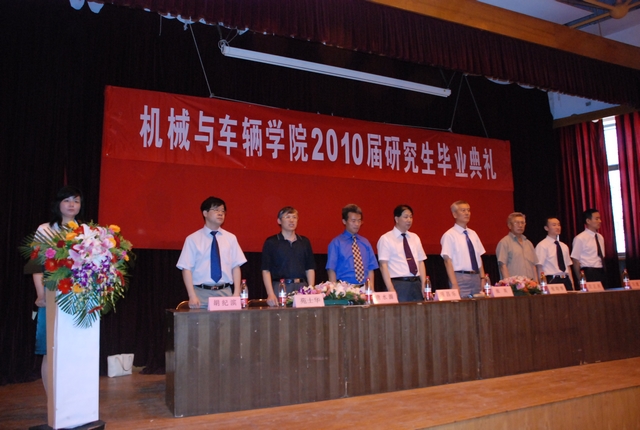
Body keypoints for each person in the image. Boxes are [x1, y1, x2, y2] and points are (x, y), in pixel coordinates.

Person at [30, 186, 84, 394]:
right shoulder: (45, 230)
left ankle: (71, 395)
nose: (72, 204)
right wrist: (40, 293)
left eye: (76, 201)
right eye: (67, 200)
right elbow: (36, 265)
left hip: (78, 296)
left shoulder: (86, 232)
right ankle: (52, 398)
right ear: (58, 204)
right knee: (50, 349)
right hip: (52, 293)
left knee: (74, 350)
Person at [176, 196, 247, 309]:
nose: (220, 213)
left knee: (227, 321)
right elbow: (186, 268)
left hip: (225, 292)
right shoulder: (193, 239)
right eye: (216, 210)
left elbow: (236, 266)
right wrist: (192, 295)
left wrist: (236, 293)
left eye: (223, 211)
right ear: (205, 213)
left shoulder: (231, 238)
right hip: (201, 294)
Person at [261, 206, 315, 306]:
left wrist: (311, 289)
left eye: (294, 217)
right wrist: (270, 293)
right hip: (280, 287)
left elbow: (310, 268)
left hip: (302, 287)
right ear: (279, 221)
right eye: (287, 217)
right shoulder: (272, 242)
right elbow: (266, 270)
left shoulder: (304, 242)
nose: (291, 220)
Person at [377, 204, 427, 302]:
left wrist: (424, 284)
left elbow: (421, 262)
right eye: (405, 217)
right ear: (396, 219)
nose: (409, 220)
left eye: (411, 217)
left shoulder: (415, 237)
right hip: (399, 284)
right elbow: (383, 265)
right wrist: (390, 288)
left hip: (416, 283)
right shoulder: (386, 238)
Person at [440, 200, 486, 298]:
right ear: (455, 214)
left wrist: (482, 278)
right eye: (463, 210)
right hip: (460, 277)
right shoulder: (449, 235)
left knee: (479, 305)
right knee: (462, 305)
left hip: (476, 277)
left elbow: (478, 258)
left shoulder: (473, 234)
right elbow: (447, 261)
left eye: (468, 210)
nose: (467, 213)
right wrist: (454, 284)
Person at [326, 204, 379, 288]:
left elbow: (370, 268)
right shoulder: (336, 243)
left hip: (364, 287)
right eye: (353, 221)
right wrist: (334, 290)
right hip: (344, 288)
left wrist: (371, 288)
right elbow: (331, 269)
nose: (357, 224)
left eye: (359, 221)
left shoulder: (365, 242)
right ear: (344, 221)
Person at [495, 212, 539, 280]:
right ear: (509, 225)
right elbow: (503, 266)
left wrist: (536, 283)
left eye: (522, 223)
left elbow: (533, 266)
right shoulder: (504, 243)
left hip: (530, 284)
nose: (520, 225)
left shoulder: (529, 243)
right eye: (517, 223)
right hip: (514, 285)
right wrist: (509, 284)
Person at [571, 208, 608, 289]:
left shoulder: (600, 237)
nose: (600, 221)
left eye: (600, 218)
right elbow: (575, 260)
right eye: (596, 219)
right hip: (588, 272)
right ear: (588, 221)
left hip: (601, 271)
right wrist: (580, 279)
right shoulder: (580, 238)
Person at [535, 217, 574, 291]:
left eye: (559, 225)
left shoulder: (564, 246)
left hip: (566, 279)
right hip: (552, 279)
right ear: (546, 228)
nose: (557, 227)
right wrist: (542, 285)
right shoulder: (542, 245)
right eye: (554, 225)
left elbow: (568, 267)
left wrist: (571, 283)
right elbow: (539, 266)